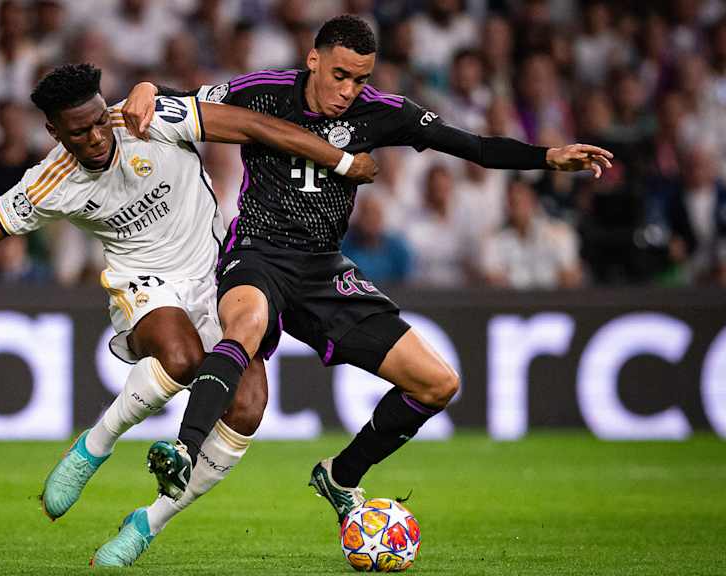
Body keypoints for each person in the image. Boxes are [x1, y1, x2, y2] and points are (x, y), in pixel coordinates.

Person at [0, 63, 376, 566]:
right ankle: (95, 446)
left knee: (249, 406)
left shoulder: (153, 118)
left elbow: (253, 125)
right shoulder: (53, 180)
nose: (95, 138)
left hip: (217, 274)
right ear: (54, 133)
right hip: (144, 283)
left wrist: (342, 160)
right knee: (181, 357)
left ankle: (147, 524)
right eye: (78, 132)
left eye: (97, 122)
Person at [122, 14, 612, 524]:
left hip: (323, 270)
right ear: (314, 59)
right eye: (340, 75)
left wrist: (548, 157)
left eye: (360, 79)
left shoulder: (382, 112)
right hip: (258, 253)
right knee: (246, 324)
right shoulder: (263, 91)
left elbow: (476, 147)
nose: (348, 91)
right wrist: (146, 86)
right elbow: (184, 103)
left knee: (437, 384)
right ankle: (184, 448)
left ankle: (341, 475)